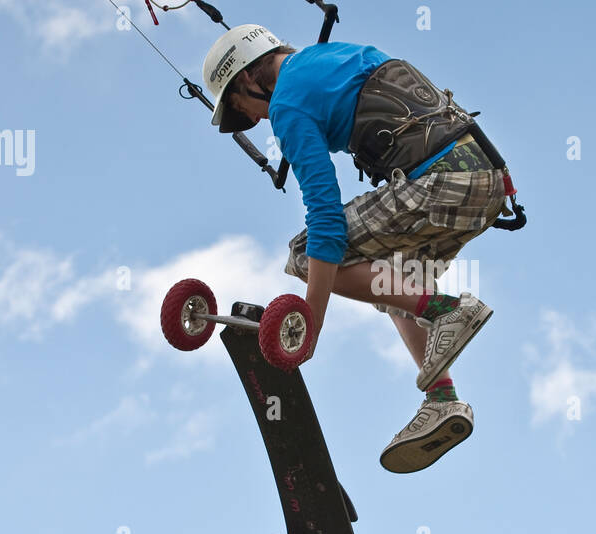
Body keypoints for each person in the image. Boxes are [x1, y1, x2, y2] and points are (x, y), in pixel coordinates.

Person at [202, 23, 515, 473]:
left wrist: (312, 322)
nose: (254, 120)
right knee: (392, 282)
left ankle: (447, 308)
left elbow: (326, 220)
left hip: (441, 181)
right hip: (484, 178)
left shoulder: (287, 104)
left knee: (305, 253)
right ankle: (441, 399)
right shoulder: (337, 57)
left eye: (242, 107)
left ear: (250, 78)